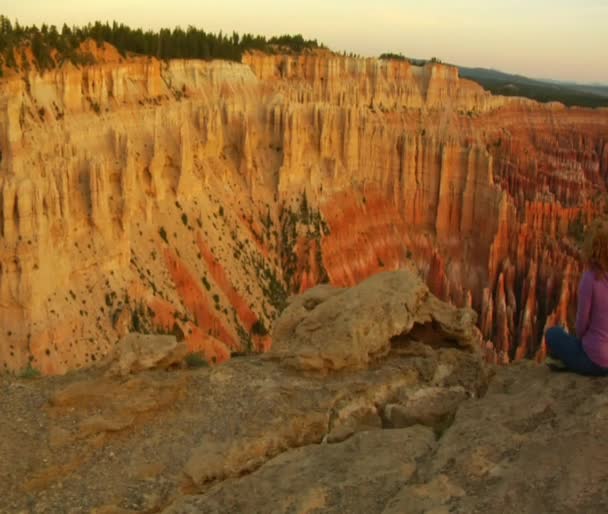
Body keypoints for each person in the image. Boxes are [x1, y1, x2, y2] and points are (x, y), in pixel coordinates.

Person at [545, 218, 608, 376]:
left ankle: (566, 361)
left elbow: (581, 325)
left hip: (594, 360)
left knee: (553, 333)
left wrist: (582, 338)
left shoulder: (590, 279)